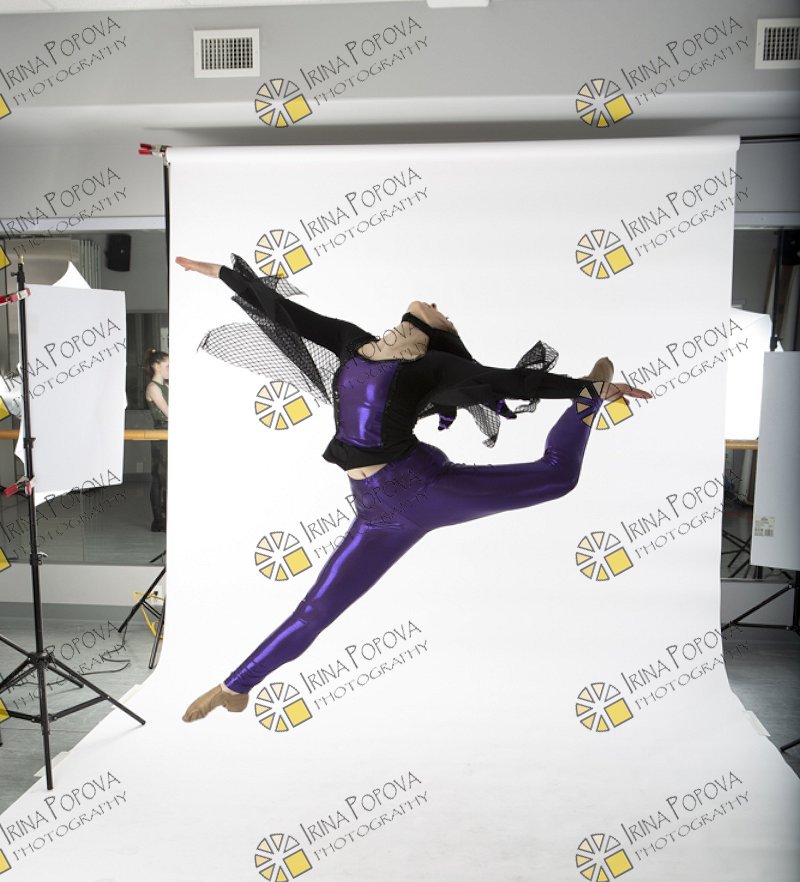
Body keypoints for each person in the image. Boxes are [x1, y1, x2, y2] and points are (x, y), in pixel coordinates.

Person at [177, 254, 651, 722]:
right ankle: (234, 687)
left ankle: (589, 400)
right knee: (316, 609)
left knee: (558, 476)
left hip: (427, 490)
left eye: (444, 315)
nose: (438, 307)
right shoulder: (352, 342)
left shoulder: (433, 367)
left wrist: (582, 390)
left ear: (431, 336)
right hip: (375, 513)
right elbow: (285, 313)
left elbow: (514, 380)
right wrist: (221, 274)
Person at [144, 349, 169, 532]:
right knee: (159, 477)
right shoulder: (153, 387)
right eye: (168, 366)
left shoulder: (166, 386)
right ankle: (158, 521)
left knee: (166, 476)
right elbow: (168, 412)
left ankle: (166, 518)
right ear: (156, 366)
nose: (171, 369)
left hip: (170, 432)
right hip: (162, 432)